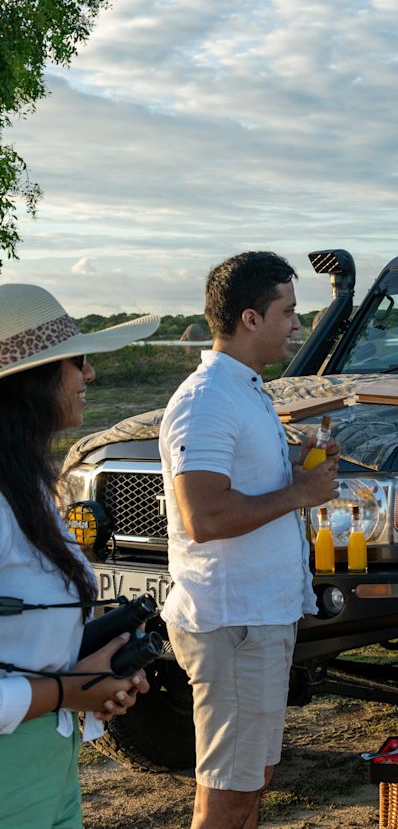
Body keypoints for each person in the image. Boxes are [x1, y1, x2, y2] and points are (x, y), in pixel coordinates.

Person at [159, 252, 340, 829]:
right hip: (232, 622)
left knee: (250, 780)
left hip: (258, 616)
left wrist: (298, 462)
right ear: (250, 319)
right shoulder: (207, 398)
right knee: (229, 792)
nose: (297, 324)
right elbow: (204, 516)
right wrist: (301, 493)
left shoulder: (247, 389)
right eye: (288, 311)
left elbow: (247, 475)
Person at [0, 283, 158, 829]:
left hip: (49, 755)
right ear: (32, 382)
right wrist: (70, 689)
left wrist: (95, 679)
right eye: (77, 361)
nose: (89, 374)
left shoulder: (30, 487)